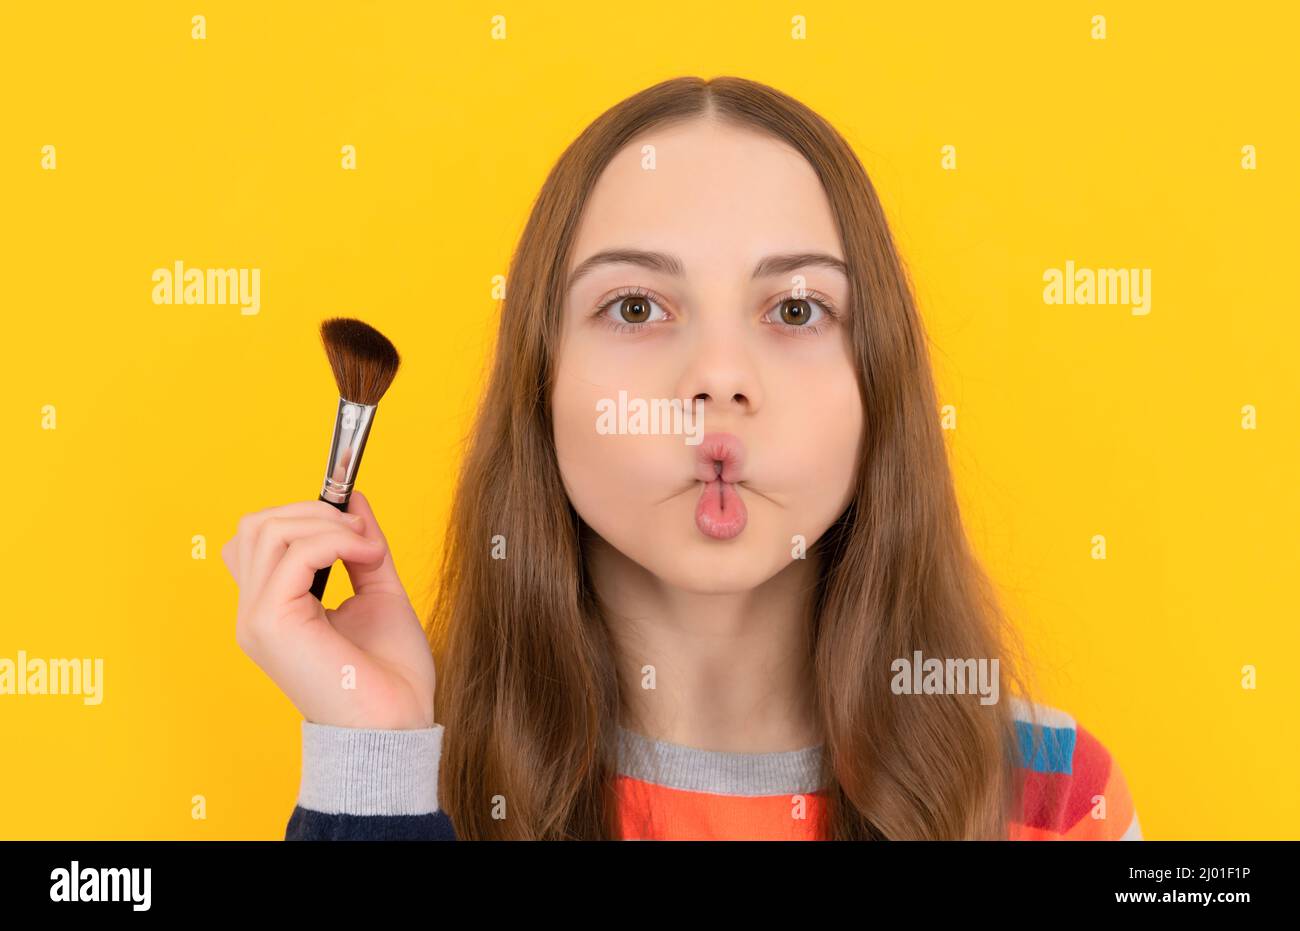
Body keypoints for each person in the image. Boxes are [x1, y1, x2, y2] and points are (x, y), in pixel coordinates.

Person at [222, 75, 1140, 841]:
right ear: (541, 388)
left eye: (795, 309)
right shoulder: (420, 780)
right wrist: (376, 757)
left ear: (880, 384)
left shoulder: (1052, 796)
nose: (719, 378)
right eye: (634, 307)